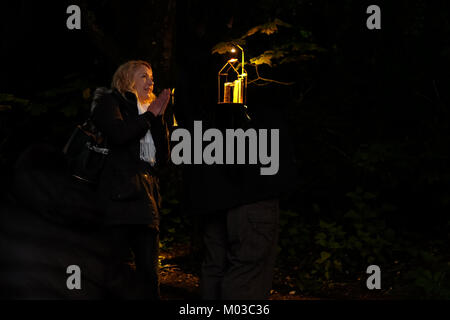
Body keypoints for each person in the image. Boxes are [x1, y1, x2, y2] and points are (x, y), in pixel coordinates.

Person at [91, 60, 171, 299]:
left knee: (149, 274)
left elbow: (162, 158)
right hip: (118, 198)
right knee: (113, 270)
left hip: (146, 199)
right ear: (127, 78)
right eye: (144, 76)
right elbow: (119, 135)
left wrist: (158, 119)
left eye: (152, 76)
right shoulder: (110, 102)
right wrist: (149, 117)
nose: (151, 81)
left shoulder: (152, 109)